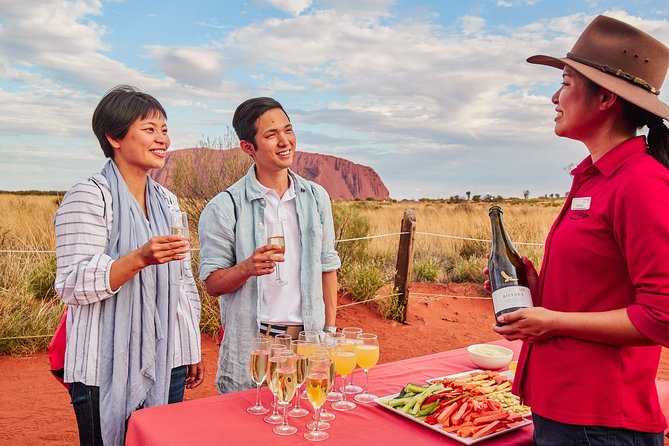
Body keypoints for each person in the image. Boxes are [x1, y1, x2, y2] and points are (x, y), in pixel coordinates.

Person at [486, 15, 669, 445]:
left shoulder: (641, 183)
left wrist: (553, 321)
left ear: (605, 98)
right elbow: (601, 283)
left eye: (566, 83)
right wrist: (537, 287)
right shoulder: (594, 177)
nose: (554, 95)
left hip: (600, 423)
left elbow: (662, 315)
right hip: (563, 409)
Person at [54, 85, 204, 445]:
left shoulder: (166, 200)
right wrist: (138, 258)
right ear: (114, 137)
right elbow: (72, 283)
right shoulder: (90, 195)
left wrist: (189, 347)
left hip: (167, 358)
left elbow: (182, 282)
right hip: (102, 365)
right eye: (149, 129)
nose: (162, 139)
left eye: (164, 129)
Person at [198, 97, 341, 393]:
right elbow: (212, 284)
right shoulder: (224, 207)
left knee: (305, 429)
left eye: (288, 130)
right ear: (248, 147)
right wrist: (246, 268)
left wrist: (328, 331)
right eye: (271, 135)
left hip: (307, 343)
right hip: (255, 346)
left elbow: (328, 267)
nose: (284, 141)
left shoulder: (316, 198)